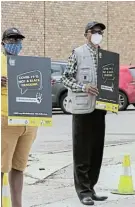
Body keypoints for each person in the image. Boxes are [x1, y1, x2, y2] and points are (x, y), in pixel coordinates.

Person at [62, 21, 108, 206]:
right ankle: (83, 191)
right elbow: (65, 78)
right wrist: (83, 87)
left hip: (100, 108)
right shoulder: (78, 53)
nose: (97, 34)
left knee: (96, 151)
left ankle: (92, 187)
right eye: (93, 31)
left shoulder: (105, 56)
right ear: (86, 34)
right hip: (82, 108)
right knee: (82, 151)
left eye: (100, 32)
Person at [1, 28, 38, 207]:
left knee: (19, 167)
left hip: (27, 122)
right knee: (1, 168)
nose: (15, 43)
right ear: (3, 42)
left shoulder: (26, 64)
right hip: (5, 120)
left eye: (18, 40)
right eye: (11, 39)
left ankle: (17, 205)